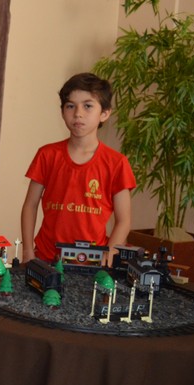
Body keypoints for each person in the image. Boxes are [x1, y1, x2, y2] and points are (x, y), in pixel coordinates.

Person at [21, 73, 135, 264]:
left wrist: (108, 256)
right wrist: (27, 252)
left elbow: (124, 220)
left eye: (87, 106)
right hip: (46, 258)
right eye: (70, 106)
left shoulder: (117, 163)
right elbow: (30, 205)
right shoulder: (47, 155)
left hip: (93, 263)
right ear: (62, 112)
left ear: (105, 113)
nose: (78, 113)